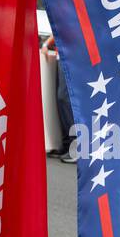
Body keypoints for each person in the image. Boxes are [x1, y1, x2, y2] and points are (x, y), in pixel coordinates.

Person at [42, 34, 76, 162]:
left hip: (72, 56)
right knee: (60, 99)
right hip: (62, 55)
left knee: (65, 98)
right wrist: (47, 43)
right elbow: (59, 28)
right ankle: (67, 144)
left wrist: (47, 43)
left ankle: (75, 145)